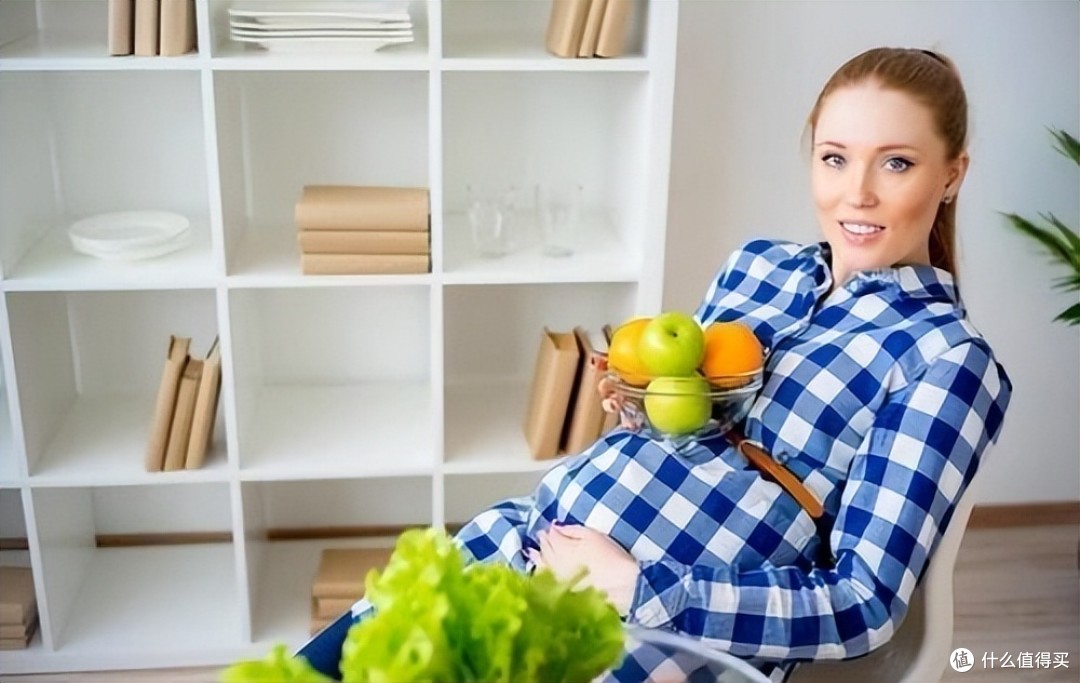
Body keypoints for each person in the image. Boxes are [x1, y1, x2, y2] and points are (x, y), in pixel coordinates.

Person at [301, 46, 1012, 682]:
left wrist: (640, 589)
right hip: (523, 538)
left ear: (953, 174)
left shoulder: (946, 360)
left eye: (896, 162)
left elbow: (863, 601)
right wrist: (640, 402)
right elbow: (688, 427)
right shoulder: (756, 268)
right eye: (834, 156)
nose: (856, 192)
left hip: (649, 639)